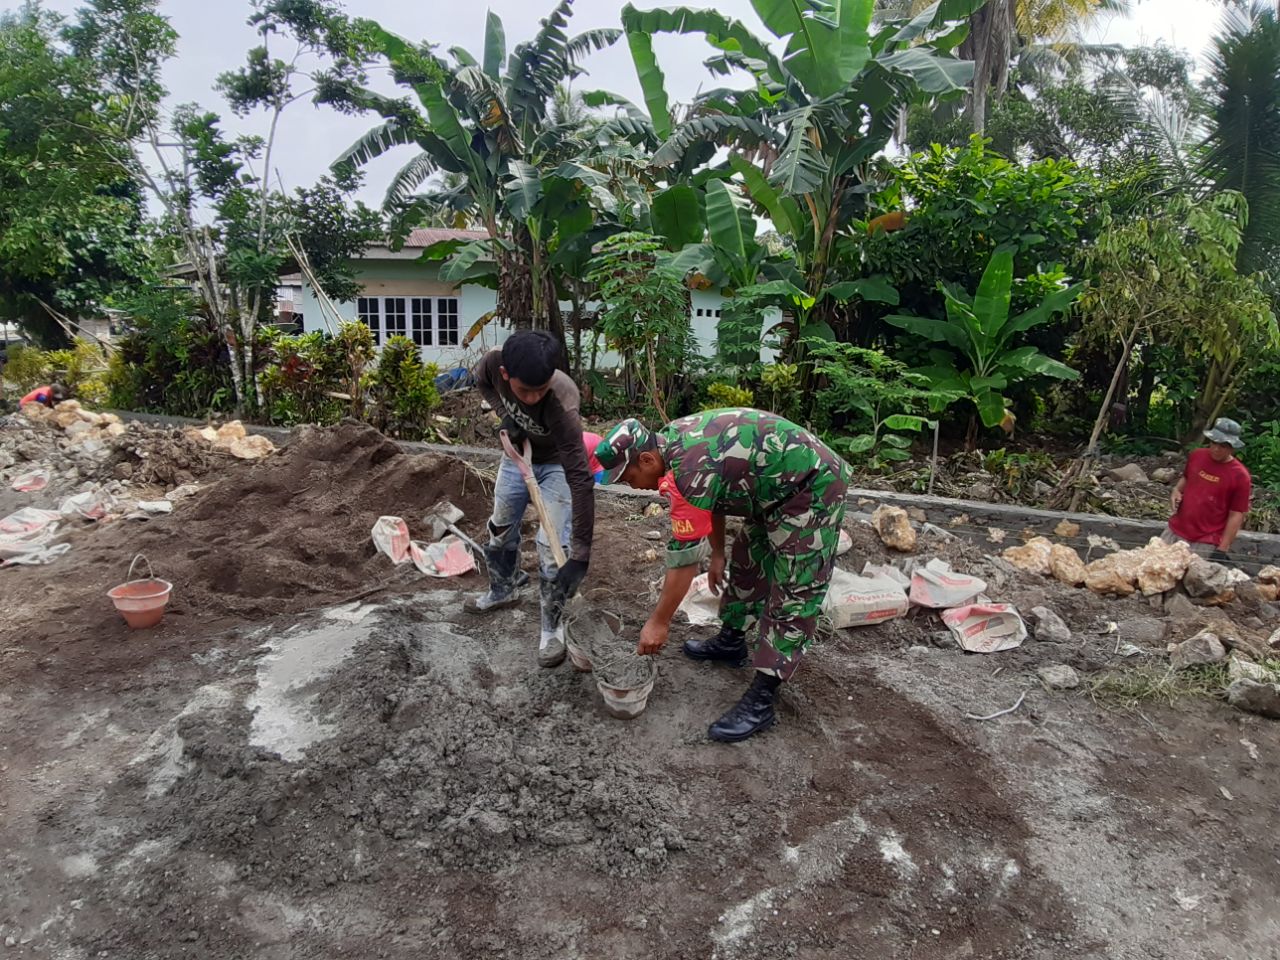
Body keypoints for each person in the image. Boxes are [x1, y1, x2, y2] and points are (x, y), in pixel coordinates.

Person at [596, 408, 850, 743]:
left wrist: (659, 622)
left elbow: (684, 560)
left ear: (646, 460)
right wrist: (718, 553)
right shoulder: (670, 446)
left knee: (795, 588)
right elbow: (712, 499)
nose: (632, 486)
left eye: (628, 478)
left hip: (812, 485)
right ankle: (732, 642)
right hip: (772, 489)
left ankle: (763, 697)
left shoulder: (688, 470)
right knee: (748, 558)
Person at [467, 331, 593, 668]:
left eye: (541, 389)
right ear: (506, 373)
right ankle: (504, 587)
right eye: (525, 391)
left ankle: (552, 627)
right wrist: (505, 415)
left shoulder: (563, 400)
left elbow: (581, 478)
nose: (535, 398)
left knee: (552, 548)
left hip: (556, 466)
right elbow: (483, 383)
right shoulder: (493, 363)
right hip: (516, 458)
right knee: (500, 527)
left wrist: (581, 553)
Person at [1162, 418, 1251, 561]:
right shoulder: (1197, 455)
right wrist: (1176, 490)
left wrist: (1222, 548)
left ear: (1232, 448)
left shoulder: (1240, 476)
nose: (1216, 449)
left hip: (1205, 540)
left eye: (1223, 446)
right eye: (1214, 443)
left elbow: (1236, 514)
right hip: (1176, 529)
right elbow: (1187, 478)